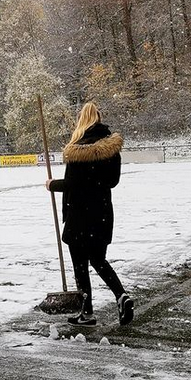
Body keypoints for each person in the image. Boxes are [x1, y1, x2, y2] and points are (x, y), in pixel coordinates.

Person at [46, 102, 134, 327]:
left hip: (79, 215)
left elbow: (72, 184)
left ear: (82, 121)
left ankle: (87, 313)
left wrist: (52, 184)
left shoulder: (77, 150)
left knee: (80, 265)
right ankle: (121, 295)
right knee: (98, 260)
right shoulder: (111, 149)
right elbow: (112, 181)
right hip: (101, 212)